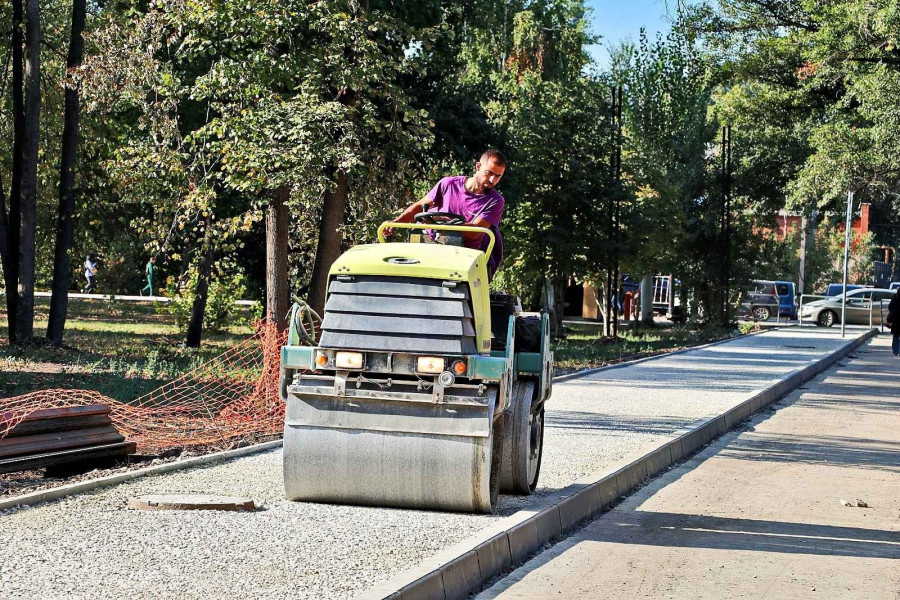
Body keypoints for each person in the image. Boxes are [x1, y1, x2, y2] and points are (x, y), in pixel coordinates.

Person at [391, 149, 507, 280]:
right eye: (489, 173)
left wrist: (442, 221)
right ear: (478, 166)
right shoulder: (448, 184)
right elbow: (419, 207)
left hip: (463, 257)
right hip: (428, 246)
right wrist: (396, 222)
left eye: (498, 176)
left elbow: (475, 232)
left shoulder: (495, 201)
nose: (492, 179)